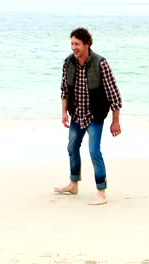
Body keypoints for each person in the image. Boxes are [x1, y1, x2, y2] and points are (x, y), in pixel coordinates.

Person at [54, 27, 122, 205]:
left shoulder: (100, 63)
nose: (73, 47)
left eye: (77, 44)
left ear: (87, 45)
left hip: (95, 115)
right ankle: (73, 183)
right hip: (77, 114)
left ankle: (101, 192)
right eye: (71, 44)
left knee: (94, 151)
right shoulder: (68, 62)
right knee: (72, 148)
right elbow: (64, 90)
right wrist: (64, 113)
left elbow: (114, 94)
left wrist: (115, 121)